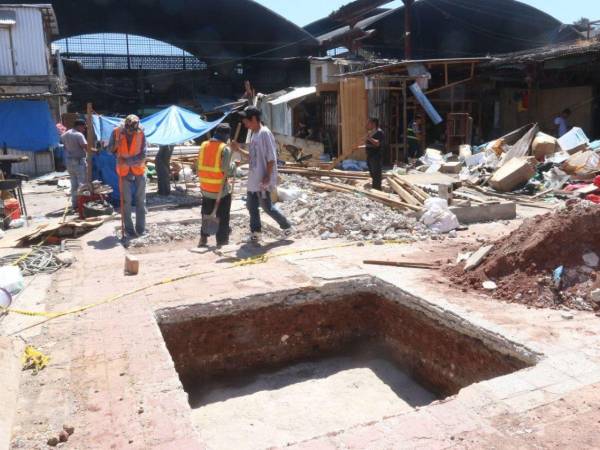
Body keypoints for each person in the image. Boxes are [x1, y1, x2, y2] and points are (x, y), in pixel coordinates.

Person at [230, 106, 293, 244]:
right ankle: (256, 233)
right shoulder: (254, 134)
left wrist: (267, 176)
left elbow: (271, 158)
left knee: (267, 207)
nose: (245, 124)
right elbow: (253, 157)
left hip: (262, 179)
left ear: (253, 119)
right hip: (254, 179)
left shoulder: (265, 133)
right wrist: (238, 149)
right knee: (251, 206)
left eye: (246, 121)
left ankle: (287, 226)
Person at [197, 124, 236, 248]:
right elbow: (228, 171)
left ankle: (203, 238)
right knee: (223, 217)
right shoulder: (224, 149)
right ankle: (222, 241)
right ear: (226, 136)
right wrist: (234, 164)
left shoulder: (203, 146)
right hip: (220, 190)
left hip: (205, 188)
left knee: (206, 213)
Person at [109, 115, 147, 238]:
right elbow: (110, 150)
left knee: (140, 200)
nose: (130, 133)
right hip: (124, 171)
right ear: (125, 126)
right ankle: (129, 229)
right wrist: (116, 143)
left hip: (138, 169)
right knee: (126, 201)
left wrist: (127, 161)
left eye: (133, 131)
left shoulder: (141, 132)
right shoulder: (116, 132)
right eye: (128, 131)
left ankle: (141, 229)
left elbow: (143, 154)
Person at [60, 119, 88, 211]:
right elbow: (85, 147)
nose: (84, 129)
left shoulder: (65, 134)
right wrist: (95, 151)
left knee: (74, 184)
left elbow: (64, 146)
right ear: (79, 126)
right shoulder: (78, 135)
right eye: (83, 127)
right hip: (78, 161)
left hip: (69, 161)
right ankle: (82, 205)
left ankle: (75, 205)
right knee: (82, 184)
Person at [365, 118, 384, 191]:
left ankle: (377, 188)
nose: (367, 125)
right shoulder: (371, 132)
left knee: (376, 172)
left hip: (376, 155)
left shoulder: (379, 132)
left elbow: (377, 143)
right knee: (372, 171)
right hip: (370, 154)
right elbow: (369, 143)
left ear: (373, 124)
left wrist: (369, 138)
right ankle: (375, 186)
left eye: (368, 123)